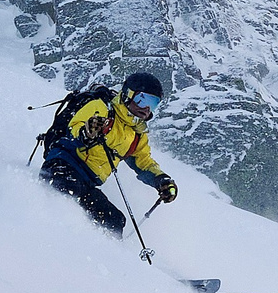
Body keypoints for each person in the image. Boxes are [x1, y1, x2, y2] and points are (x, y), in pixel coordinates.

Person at [40, 71, 179, 234]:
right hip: (62, 166)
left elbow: (144, 162)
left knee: (114, 221)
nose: (147, 108)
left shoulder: (136, 134)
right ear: (129, 94)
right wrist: (88, 132)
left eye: (154, 103)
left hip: (87, 183)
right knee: (68, 195)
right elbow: (75, 127)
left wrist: (161, 180)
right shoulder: (102, 107)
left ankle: (102, 256)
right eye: (143, 99)